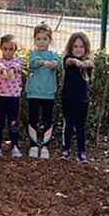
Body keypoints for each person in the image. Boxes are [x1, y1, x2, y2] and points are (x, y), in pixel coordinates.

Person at [26, 23, 61, 158]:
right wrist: (42, 63)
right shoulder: (33, 54)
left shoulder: (53, 55)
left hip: (48, 94)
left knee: (48, 119)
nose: (41, 42)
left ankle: (45, 145)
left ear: (50, 40)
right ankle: (33, 145)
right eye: (39, 39)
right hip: (33, 93)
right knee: (33, 119)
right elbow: (33, 63)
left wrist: (54, 64)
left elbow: (59, 64)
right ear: (34, 40)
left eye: (45, 39)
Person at [0, 34, 24, 159]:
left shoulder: (18, 61)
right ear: (1, 48)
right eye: (5, 49)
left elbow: (15, 68)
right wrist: (4, 71)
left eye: (11, 49)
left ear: (15, 50)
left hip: (13, 97)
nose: (8, 52)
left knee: (13, 122)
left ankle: (14, 146)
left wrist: (11, 71)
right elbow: (0, 67)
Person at [61, 31, 94, 161]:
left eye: (81, 46)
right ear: (70, 48)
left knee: (80, 126)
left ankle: (81, 151)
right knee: (68, 125)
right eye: (75, 46)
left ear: (86, 48)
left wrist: (84, 64)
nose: (78, 49)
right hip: (68, 99)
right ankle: (65, 149)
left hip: (82, 100)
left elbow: (90, 63)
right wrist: (75, 61)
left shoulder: (88, 61)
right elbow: (68, 61)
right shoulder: (67, 60)